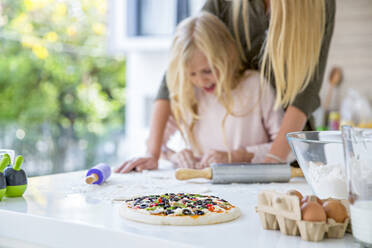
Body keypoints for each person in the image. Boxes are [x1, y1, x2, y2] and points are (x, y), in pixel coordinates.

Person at [116, 0, 336, 173]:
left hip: (288, 153)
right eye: (194, 74)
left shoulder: (255, 88)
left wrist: (266, 168)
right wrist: (155, 153)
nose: (201, 80)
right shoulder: (194, 91)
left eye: (207, 71)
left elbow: (305, 93)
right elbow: (179, 67)